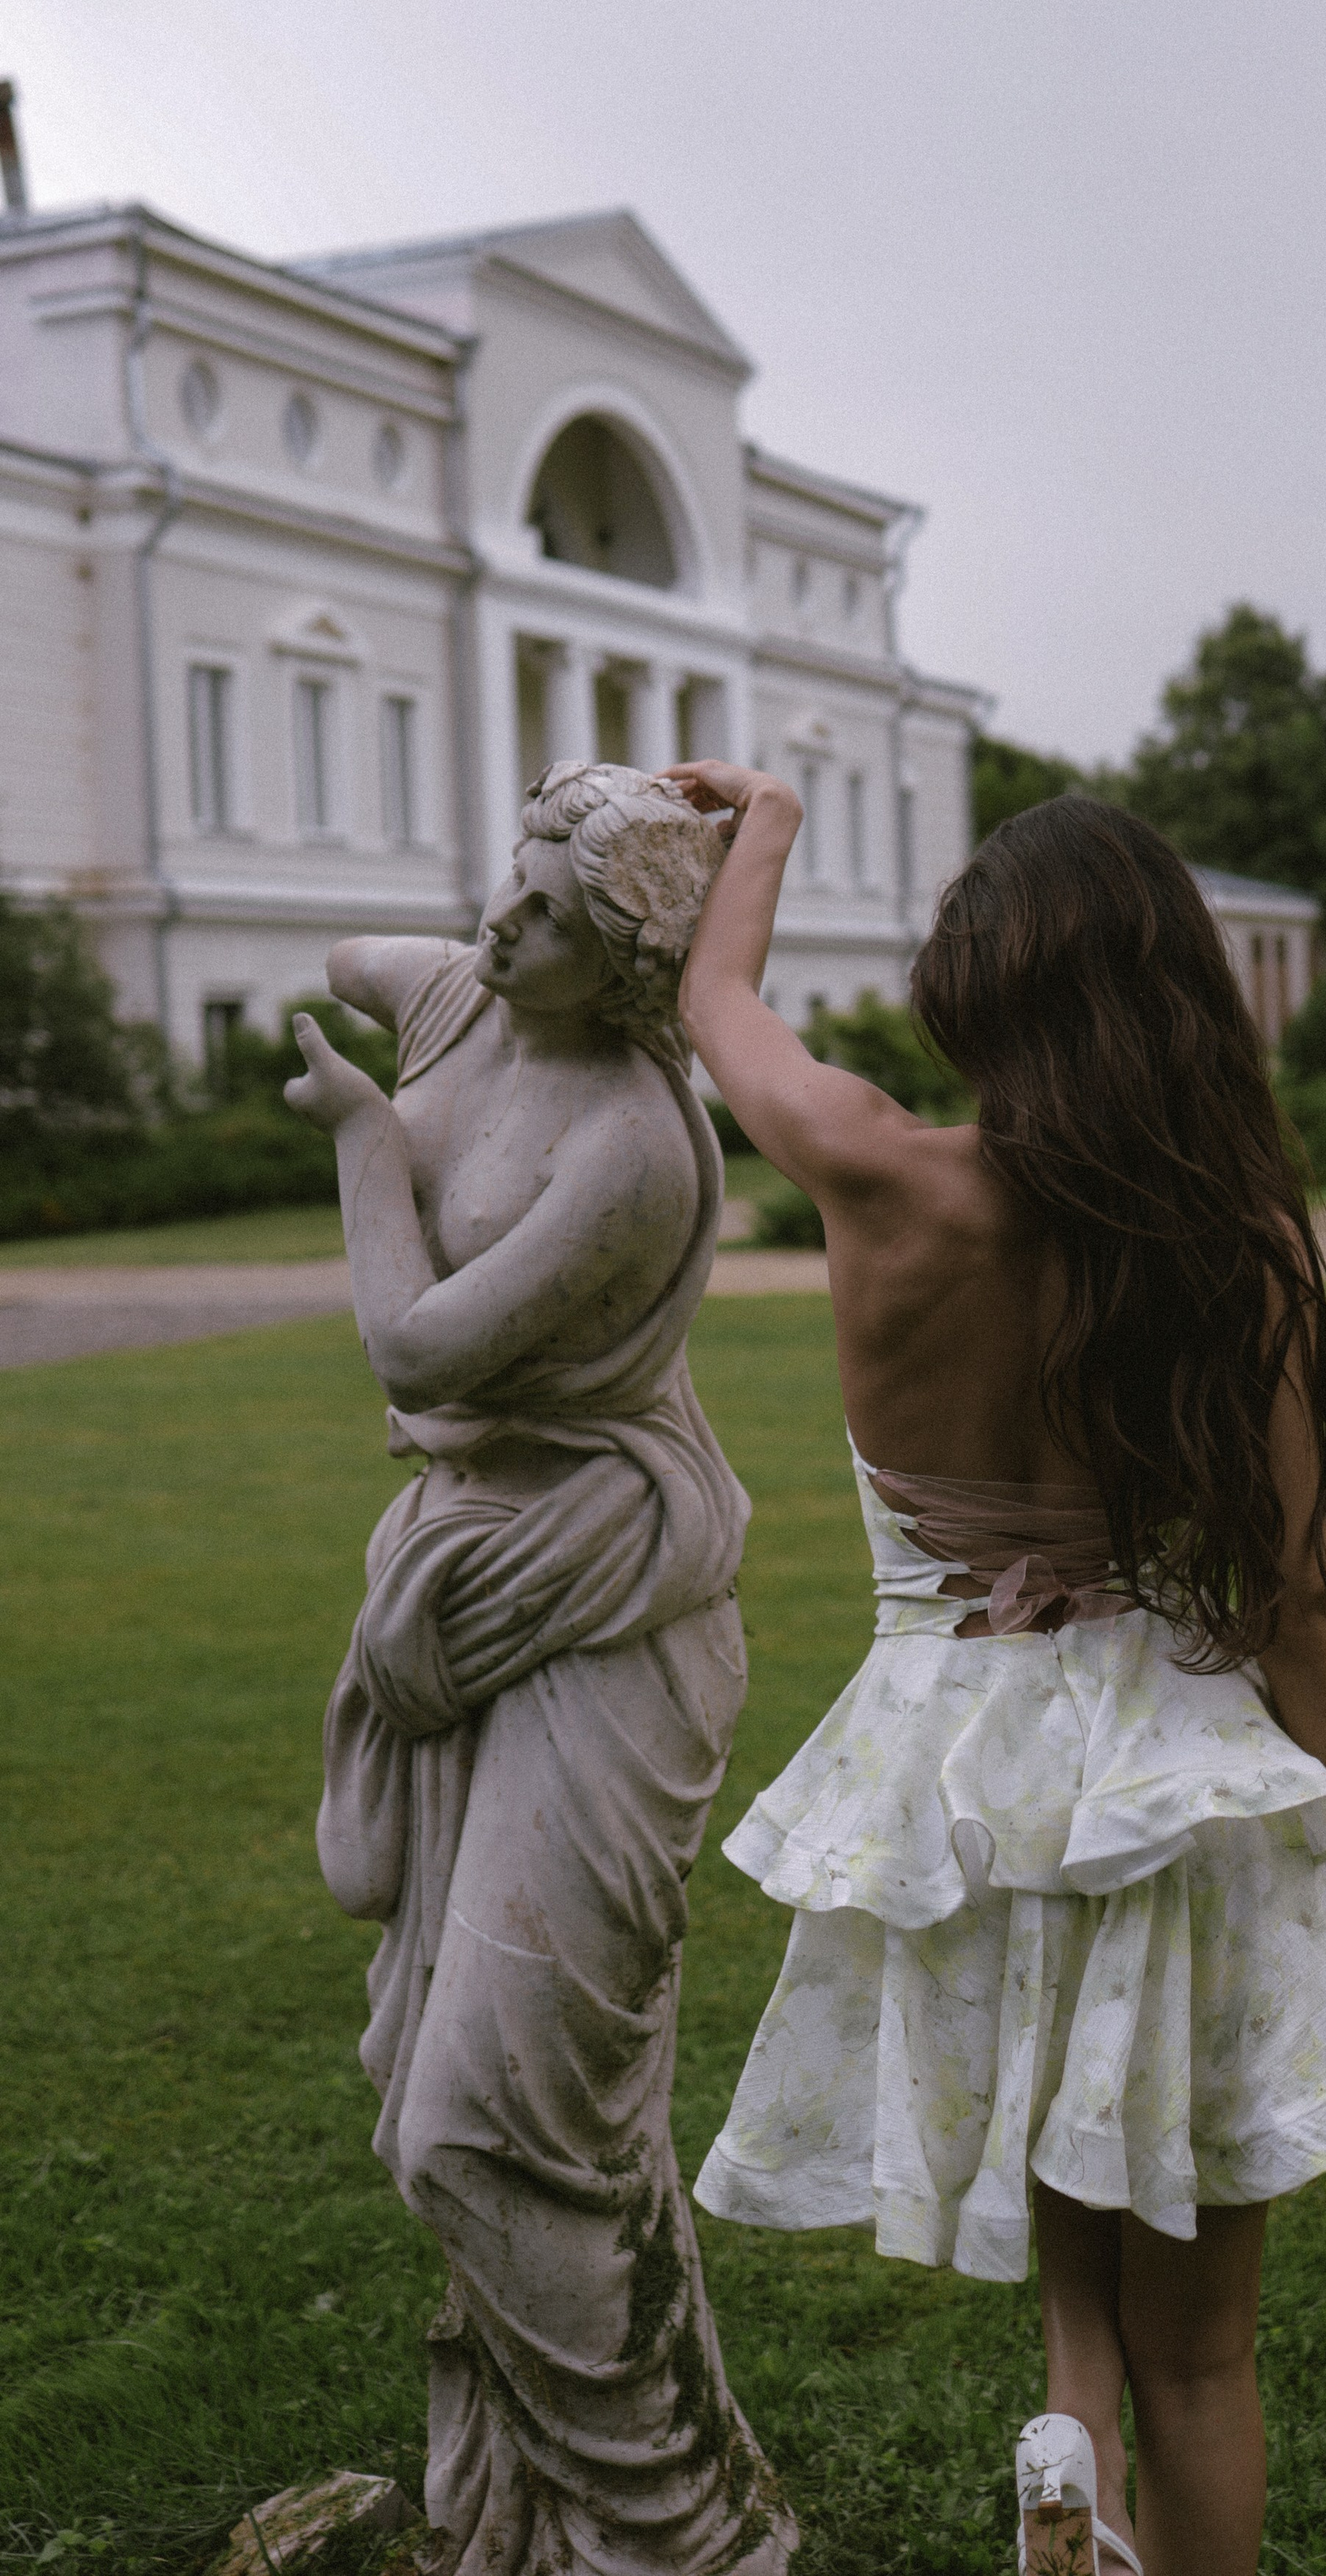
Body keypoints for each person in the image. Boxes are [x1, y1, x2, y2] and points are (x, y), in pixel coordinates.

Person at [671, 768, 1326, 2576]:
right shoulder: (1214, 1254)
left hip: (948, 1791)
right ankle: (1108, 2485)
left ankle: (1062, 2472)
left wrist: (763, 816)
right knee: (1204, 2346)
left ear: (977, 995)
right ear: (1165, 996)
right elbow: (1301, 1610)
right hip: (1156, 1790)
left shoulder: (871, 1167)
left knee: (1075, 2282)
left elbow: (714, 1008)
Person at [285, 761, 795, 2576]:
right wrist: (583, 846)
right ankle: (576, 2514)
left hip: (606, 1597)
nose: (505, 928)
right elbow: (362, 949)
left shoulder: (635, 1148)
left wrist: (362, 1140)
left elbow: (418, 1353)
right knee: (521, 2120)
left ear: (639, 973)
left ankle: (674, 2536)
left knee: (492, 2126)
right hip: (472, 1576)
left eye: (555, 921)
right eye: (508, 886)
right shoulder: (463, 996)